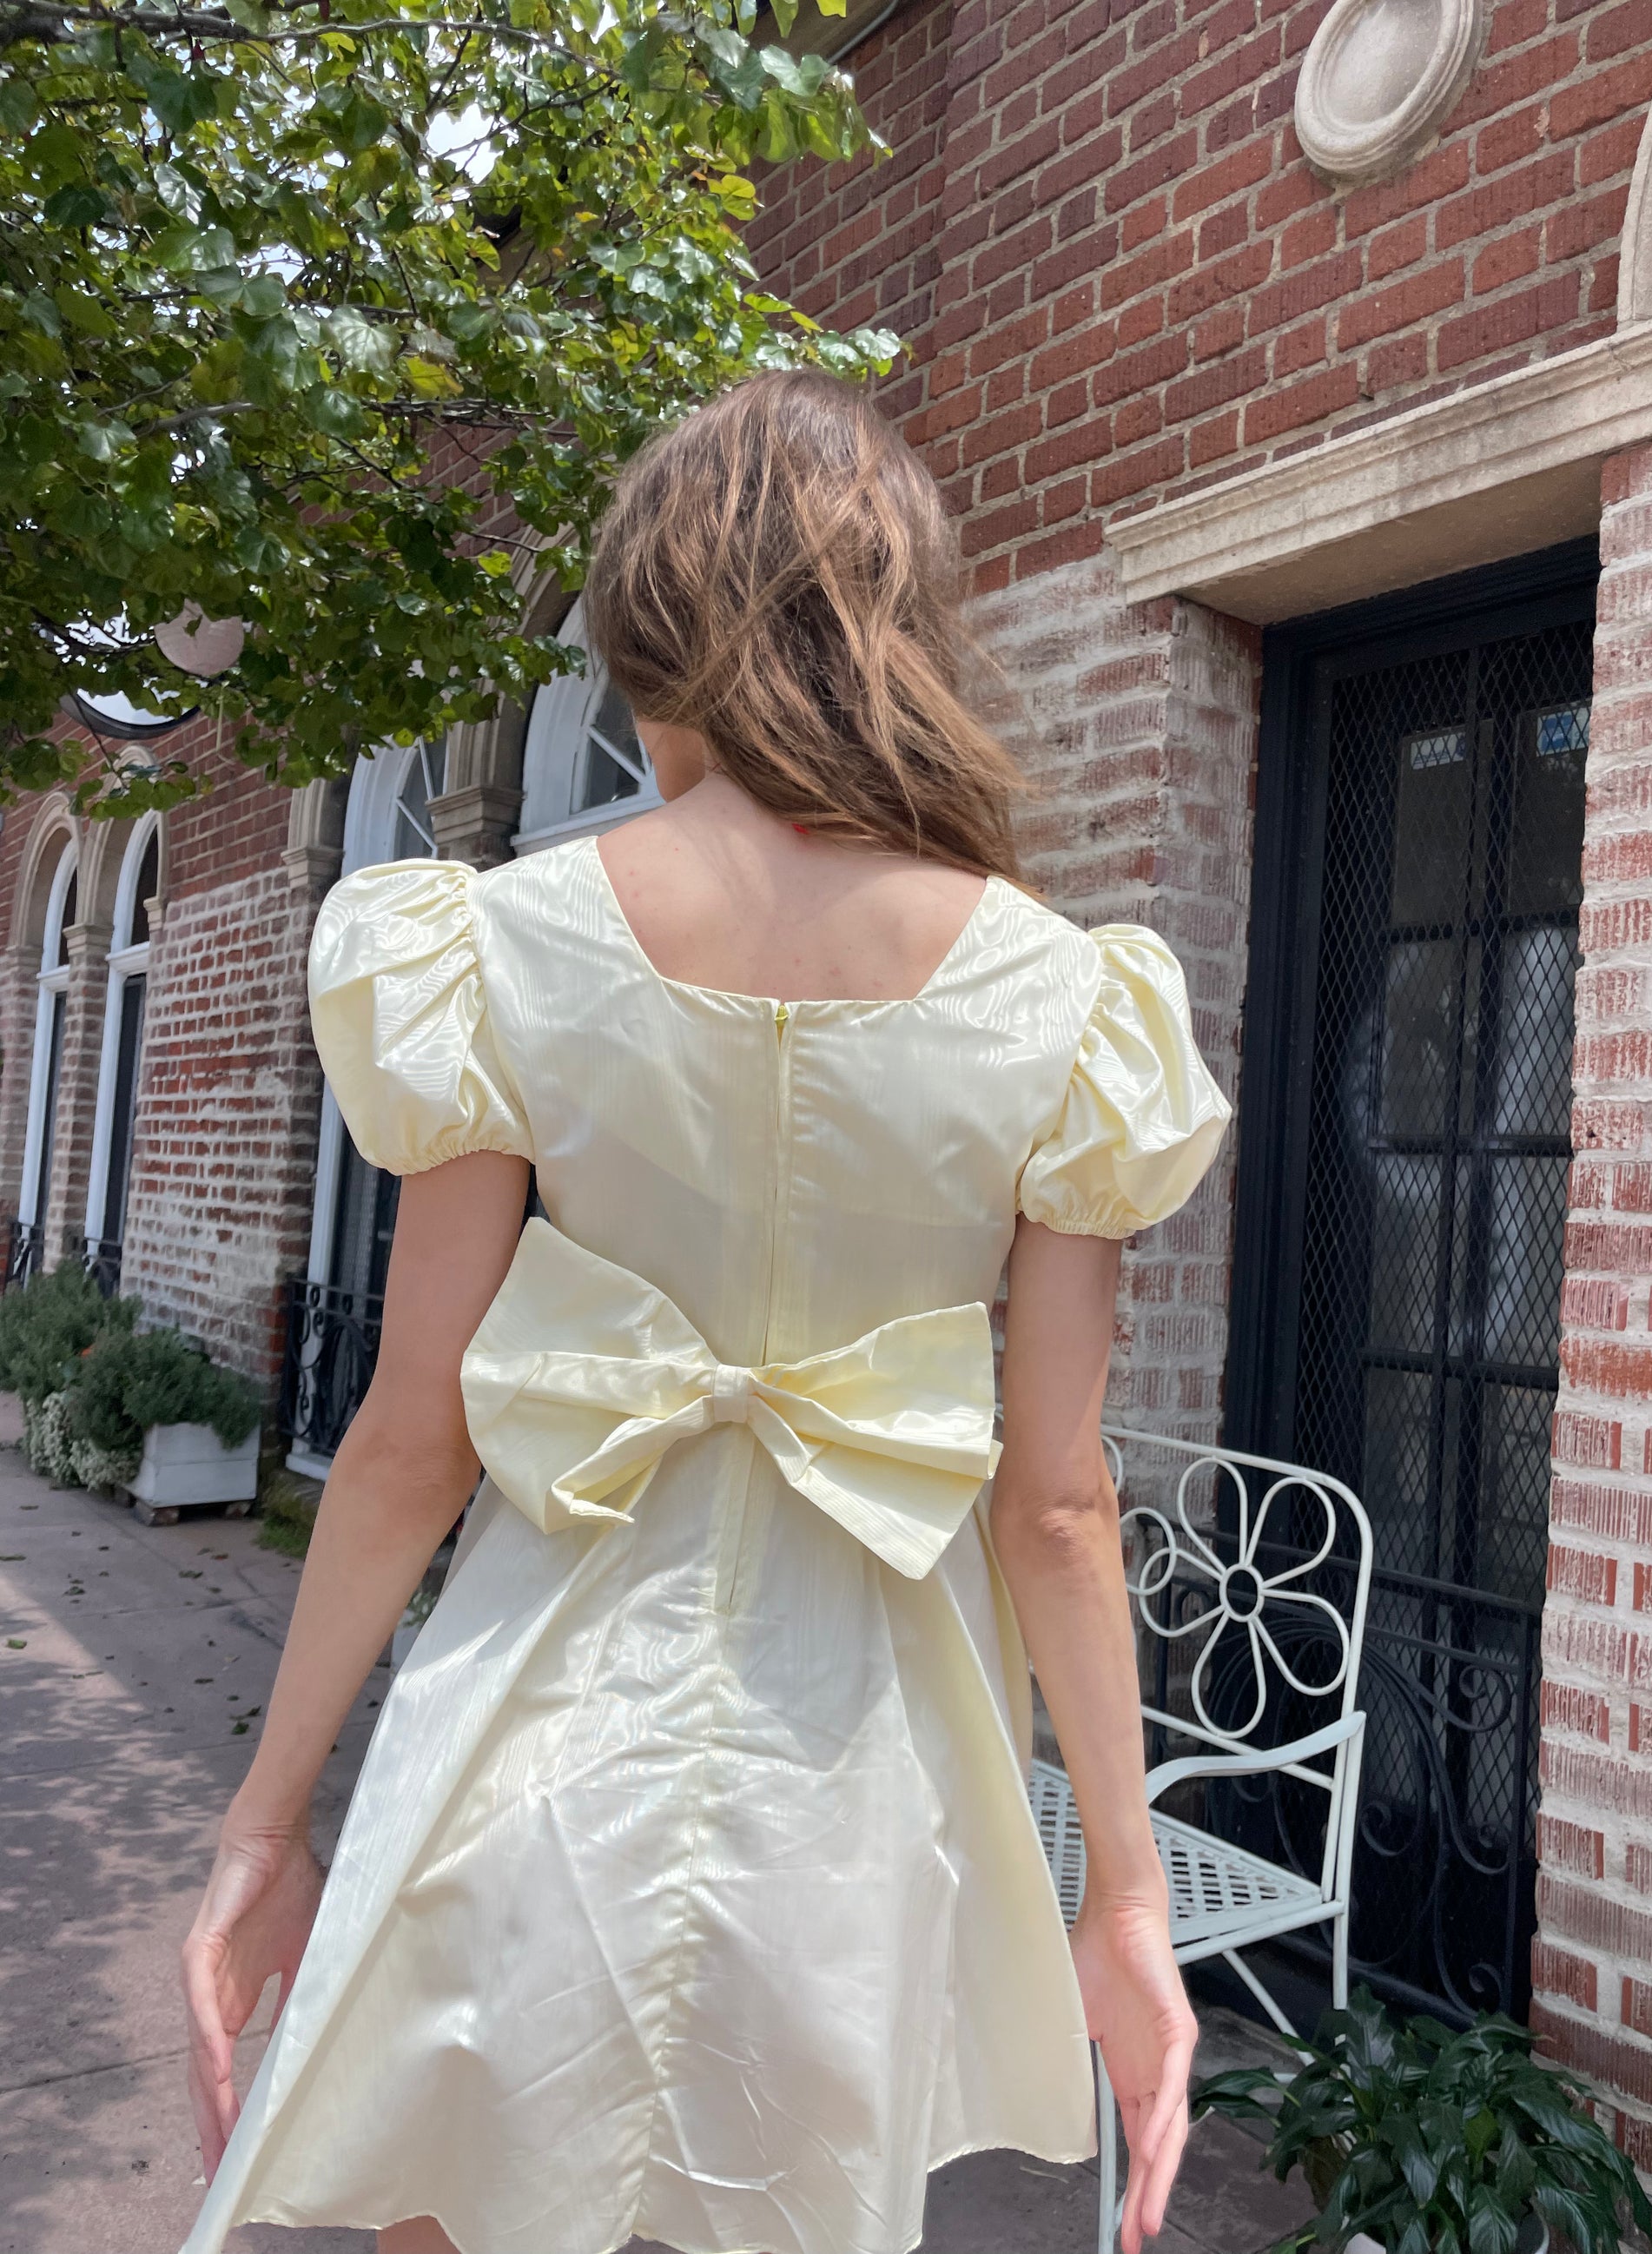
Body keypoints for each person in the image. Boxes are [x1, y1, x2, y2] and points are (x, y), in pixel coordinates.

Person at [178, 368, 1232, 2254]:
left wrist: (267, 1818)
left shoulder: (497, 939)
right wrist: (1127, 1897)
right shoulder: (1069, 1002)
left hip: (532, 1729)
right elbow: (1059, 1501)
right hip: (858, 1797)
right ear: (897, 626)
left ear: (647, 621)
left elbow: (413, 1430)